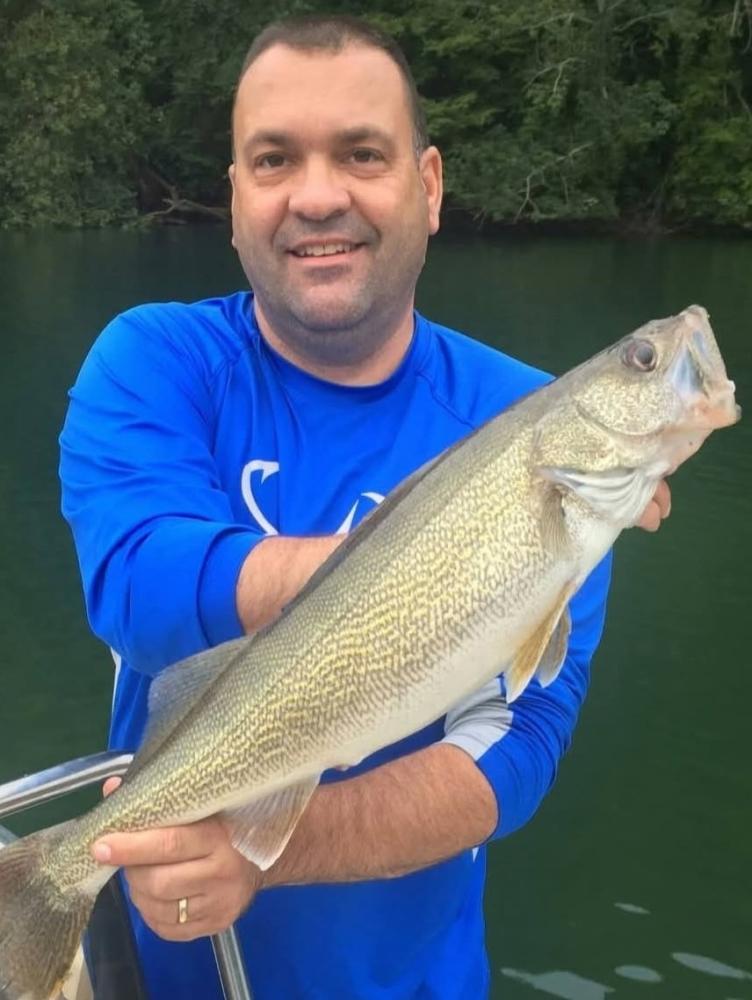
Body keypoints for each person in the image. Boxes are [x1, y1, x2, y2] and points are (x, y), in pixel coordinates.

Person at [59, 14, 671, 1000]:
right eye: (273, 160)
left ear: (428, 186)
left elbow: (516, 741)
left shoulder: (528, 424)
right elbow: (139, 583)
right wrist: (432, 565)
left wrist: (269, 847)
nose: (316, 196)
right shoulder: (155, 360)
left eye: (360, 154)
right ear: (234, 197)